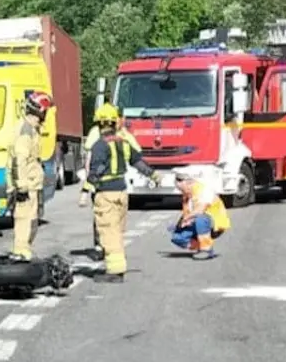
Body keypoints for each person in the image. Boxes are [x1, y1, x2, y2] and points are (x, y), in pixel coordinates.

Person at [87, 104, 158, 283]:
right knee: (117, 231)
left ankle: (114, 271)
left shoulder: (99, 146)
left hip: (106, 194)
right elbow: (137, 161)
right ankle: (118, 266)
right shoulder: (123, 143)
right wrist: (153, 174)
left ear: (100, 124)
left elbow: (96, 170)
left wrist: (86, 188)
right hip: (122, 192)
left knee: (108, 232)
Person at [77, 103, 142, 260]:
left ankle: (103, 249)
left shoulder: (97, 137)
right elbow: (137, 153)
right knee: (116, 226)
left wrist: (86, 190)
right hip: (120, 187)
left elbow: (93, 158)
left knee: (104, 220)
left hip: (101, 186)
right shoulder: (124, 136)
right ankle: (110, 249)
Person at [7, 91, 54, 259]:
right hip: (26, 185)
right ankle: (21, 254)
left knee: (31, 221)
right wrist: (21, 186)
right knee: (24, 221)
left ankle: (24, 251)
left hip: (32, 184)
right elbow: (19, 159)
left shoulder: (31, 129)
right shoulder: (26, 131)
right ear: (40, 111)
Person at [169, 167, 230, 259]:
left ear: (189, 183)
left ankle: (206, 248)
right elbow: (187, 213)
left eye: (181, 188)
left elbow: (200, 209)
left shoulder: (204, 191)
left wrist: (188, 218)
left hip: (215, 224)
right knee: (177, 237)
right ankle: (199, 246)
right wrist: (180, 225)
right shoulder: (187, 196)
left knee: (200, 218)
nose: (181, 191)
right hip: (196, 222)